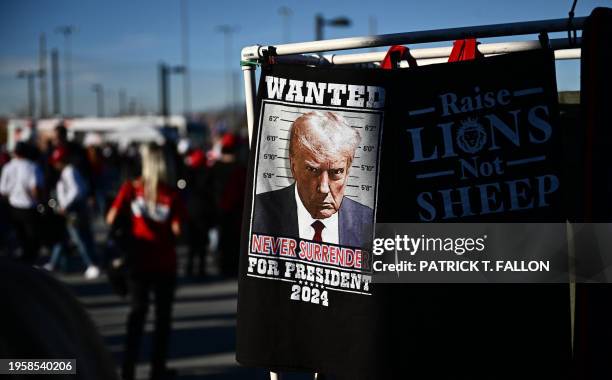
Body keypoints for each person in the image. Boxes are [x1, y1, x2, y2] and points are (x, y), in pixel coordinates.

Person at [106, 143, 185, 380]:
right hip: (164, 262)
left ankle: (128, 369)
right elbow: (178, 230)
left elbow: (111, 218)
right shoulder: (170, 194)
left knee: (137, 314)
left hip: (138, 260)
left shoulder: (130, 189)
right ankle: (156, 370)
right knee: (162, 319)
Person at [253, 111, 373, 248]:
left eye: (336, 172)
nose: (324, 188)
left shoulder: (369, 221)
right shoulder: (258, 213)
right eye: (313, 170)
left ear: (348, 170)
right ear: (293, 166)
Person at [46, 146, 100, 279]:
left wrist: (65, 205)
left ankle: (91, 264)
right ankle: (53, 263)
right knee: (66, 237)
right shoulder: (69, 171)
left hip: (74, 209)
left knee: (80, 238)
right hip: (74, 208)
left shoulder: (69, 171)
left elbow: (76, 191)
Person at [0, 142, 44, 263]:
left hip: (13, 205)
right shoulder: (32, 166)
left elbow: (3, 190)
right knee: (31, 237)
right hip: (29, 206)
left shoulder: (8, 167)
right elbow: (35, 189)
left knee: (18, 235)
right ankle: (29, 260)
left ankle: (21, 259)